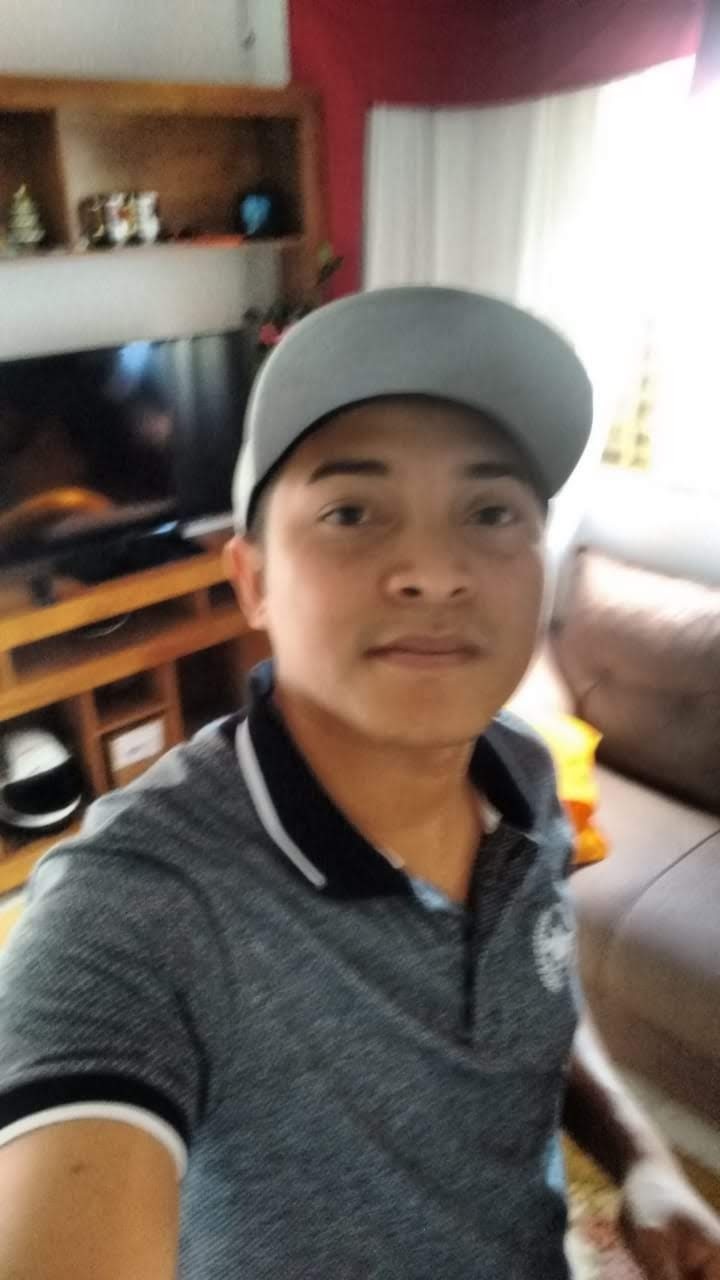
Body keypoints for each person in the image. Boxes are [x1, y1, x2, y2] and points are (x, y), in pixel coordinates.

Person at [0, 287, 718, 1280]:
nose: (434, 569)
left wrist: (641, 1156)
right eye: (351, 511)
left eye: (491, 511)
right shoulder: (135, 906)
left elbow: (538, 983)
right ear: (252, 580)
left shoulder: (526, 773)